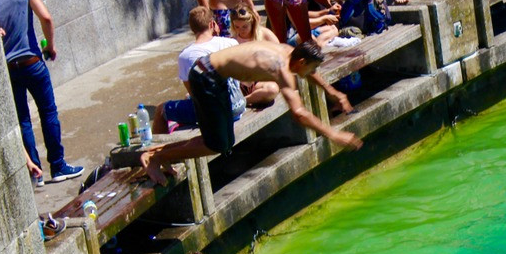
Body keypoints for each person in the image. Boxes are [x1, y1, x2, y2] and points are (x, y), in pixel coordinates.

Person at [139, 41, 361, 185]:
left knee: (223, 139)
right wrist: (333, 135)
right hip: (206, 77)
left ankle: (158, 151)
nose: (312, 73)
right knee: (217, 145)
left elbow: (309, 73)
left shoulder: (287, 50)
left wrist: (333, 92)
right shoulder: (280, 67)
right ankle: (156, 158)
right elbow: (299, 114)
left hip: (213, 75)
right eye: (311, 68)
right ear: (301, 61)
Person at [0, 0, 83, 187]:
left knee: (23, 120)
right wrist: (50, 46)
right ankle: (58, 166)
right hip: (32, 62)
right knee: (48, 112)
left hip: (9, 69)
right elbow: (46, 17)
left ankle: (35, 173)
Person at [151, 6, 249, 135]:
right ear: (212, 24)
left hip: (217, 114)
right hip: (238, 106)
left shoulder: (186, 56)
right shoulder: (231, 43)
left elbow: (194, 95)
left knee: (161, 110)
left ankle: (158, 151)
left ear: (192, 29)